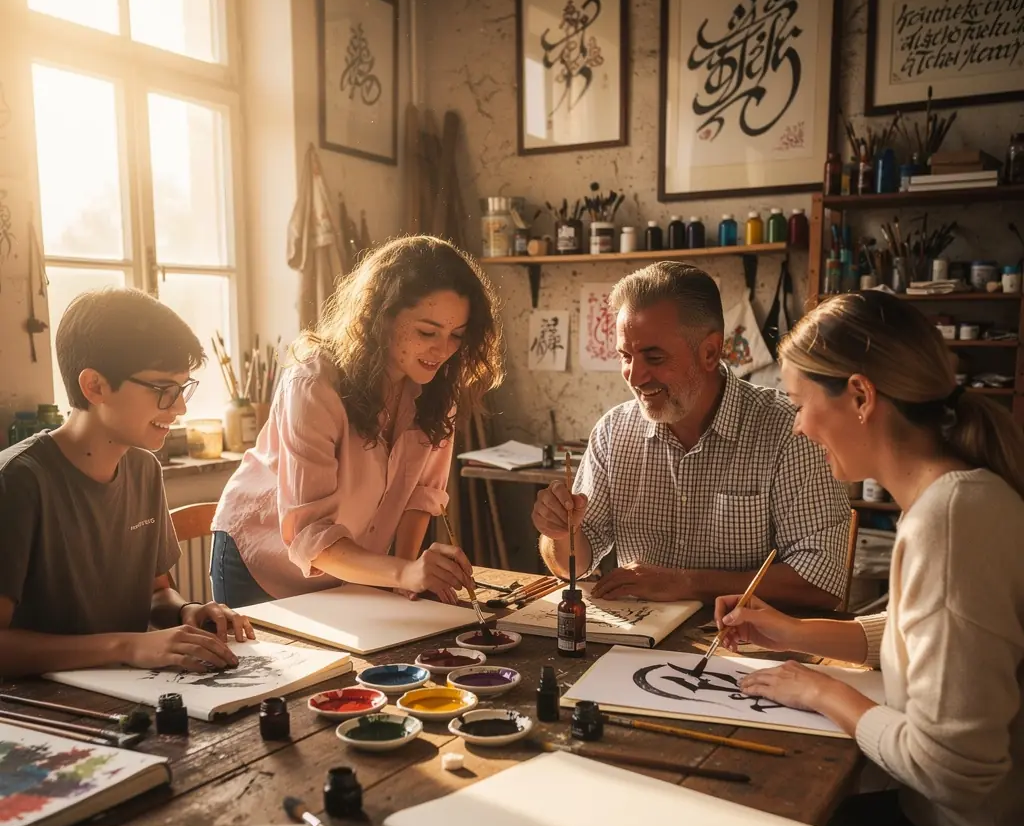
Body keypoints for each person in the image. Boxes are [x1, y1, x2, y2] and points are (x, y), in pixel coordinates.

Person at [712, 291, 1024, 826]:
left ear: (858, 395)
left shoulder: (953, 519)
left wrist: (821, 690)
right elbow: (927, 632)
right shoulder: (955, 498)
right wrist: (793, 633)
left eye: (798, 402)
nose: (796, 428)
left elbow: (955, 768)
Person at [532, 262, 850, 608]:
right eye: (626, 356)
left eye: (654, 356)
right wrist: (560, 534)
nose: (635, 376)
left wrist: (687, 583)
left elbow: (823, 580)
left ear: (710, 352)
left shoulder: (788, 430)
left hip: (749, 647)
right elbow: (572, 565)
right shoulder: (614, 432)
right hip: (637, 644)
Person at [211, 236, 504, 607]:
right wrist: (403, 572)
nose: (442, 350)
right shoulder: (314, 381)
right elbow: (310, 536)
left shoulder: (438, 383)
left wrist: (405, 577)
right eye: (427, 332)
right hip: (260, 562)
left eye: (456, 336)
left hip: (351, 568)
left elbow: (420, 496)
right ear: (379, 317)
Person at [0, 288, 253, 680]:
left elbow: (156, 594)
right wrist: (129, 646)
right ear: (95, 386)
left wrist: (187, 612)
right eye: (163, 391)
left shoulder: (144, 470)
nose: (180, 407)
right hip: (37, 709)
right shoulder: (17, 482)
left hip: (128, 692)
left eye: (183, 388)